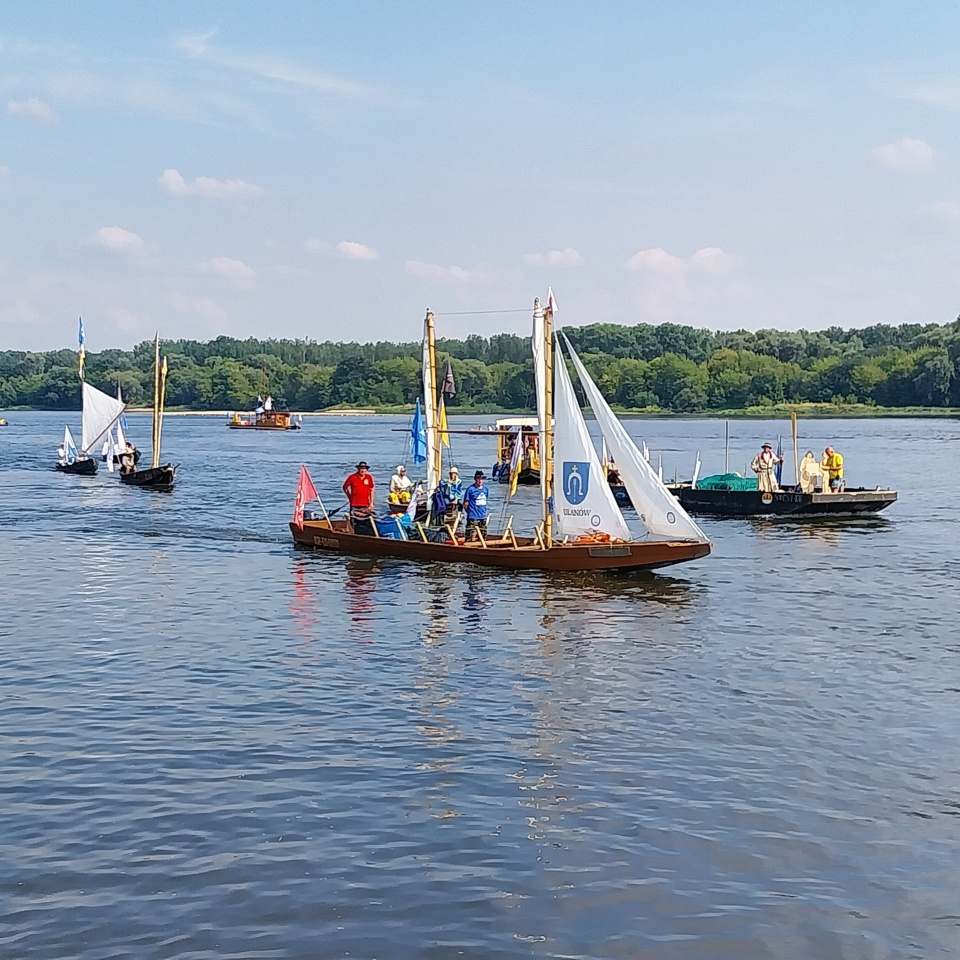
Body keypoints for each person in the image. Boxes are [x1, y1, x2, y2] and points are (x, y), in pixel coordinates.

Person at [462, 470, 489, 540]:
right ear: (475, 479)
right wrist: (470, 512)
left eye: (481, 479)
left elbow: (485, 500)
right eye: (478, 479)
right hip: (472, 516)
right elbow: (465, 503)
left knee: (483, 536)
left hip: (482, 516)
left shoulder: (486, 489)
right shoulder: (470, 489)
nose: (480, 481)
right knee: (469, 536)